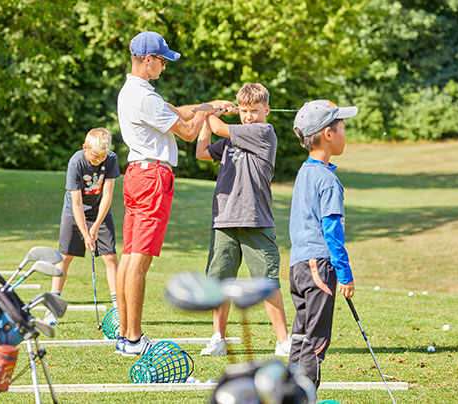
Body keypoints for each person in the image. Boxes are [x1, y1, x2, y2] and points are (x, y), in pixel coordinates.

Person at [116, 30, 235, 356]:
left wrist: (209, 105)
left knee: (128, 257)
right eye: (162, 60)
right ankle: (134, 339)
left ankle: (126, 336)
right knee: (139, 260)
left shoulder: (133, 92)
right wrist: (207, 113)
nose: (165, 66)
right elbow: (187, 131)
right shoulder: (145, 98)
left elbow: (179, 110)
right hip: (153, 177)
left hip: (137, 174)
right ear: (146, 60)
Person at [195, 83, 291, 357]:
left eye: (254, 111)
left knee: (267, 281)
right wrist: (206, 117)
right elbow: (202, 151)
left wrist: (209, 109)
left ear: (266, 111)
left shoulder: (264, 132)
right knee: (220, 282)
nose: (249, 116)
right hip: (224, 219)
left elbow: (218, 127)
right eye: (244, 111)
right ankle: (218, 338)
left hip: (255, 218)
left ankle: (283, 341)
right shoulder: (229, 143)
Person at [288, 99, 357, 388]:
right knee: (316, 341)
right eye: (342, 127)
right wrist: (345, 273)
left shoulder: (305, 172)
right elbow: (331, 231)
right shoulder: (327, 180)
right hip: (320, 265)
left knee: (301, 337)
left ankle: (287, 393)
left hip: (299, 266)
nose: (345, 132)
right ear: (328, 134)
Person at [43, 128, 120, 326]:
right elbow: (76, 203)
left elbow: (108, 196)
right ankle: (52, 309)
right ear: (85, 148)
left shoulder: (110, 159)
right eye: (95, 158)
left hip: (99, 211)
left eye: (102, 158)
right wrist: (86, 234)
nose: (98, 162)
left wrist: (94, 229)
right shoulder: (75, 162)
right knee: (65, 257)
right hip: (74, 211)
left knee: (110, 256)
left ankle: (119, 309)